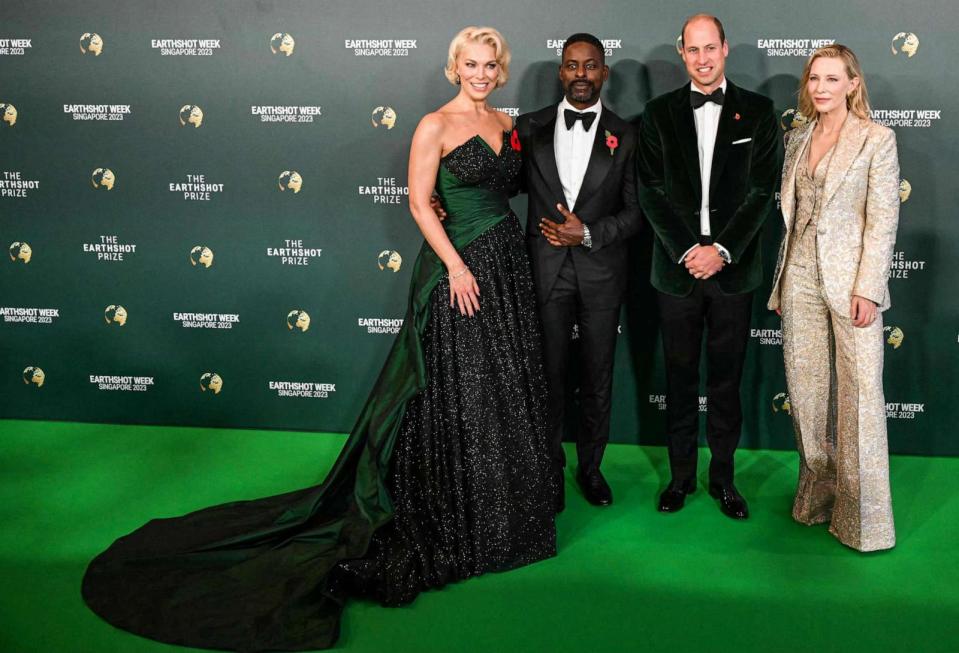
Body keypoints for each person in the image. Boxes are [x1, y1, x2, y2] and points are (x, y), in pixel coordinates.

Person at [81, 26, 557, 652]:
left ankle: (505, 518)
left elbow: (508, 190)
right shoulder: (433, 125)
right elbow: (419, 203)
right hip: (457, 269)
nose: (479, 72)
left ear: (500, 69)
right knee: (454, 389)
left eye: (489, 63)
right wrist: (457, 266)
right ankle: (459, 515)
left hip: (506, 268)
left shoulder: (504, 121)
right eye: (469, 63)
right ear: (454, 68)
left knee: (498, 386)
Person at [636, 14, 778, 519]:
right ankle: (679, 478)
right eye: (693, 50)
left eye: (710, 48)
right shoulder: (657, 114)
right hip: (676, 271)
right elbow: (649, 191)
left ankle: (722, 478)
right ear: (682, 53)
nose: (702, 58)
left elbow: (763, 191)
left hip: (733, 270)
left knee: (726, 380)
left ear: (725, 48)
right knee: (678, 379)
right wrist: (686, 251)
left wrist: (721, 250)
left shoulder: (759, 112)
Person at [768, 44, 898, 552]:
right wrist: (781, 282)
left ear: (851, 84)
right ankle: (818, 498)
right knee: (805, 392)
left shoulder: (875, 139)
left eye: (831, 79)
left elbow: (883, 219)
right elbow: (792, 218)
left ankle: (865, 521)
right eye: (814, 79)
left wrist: (868, 287)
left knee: (861, 394)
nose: (821, 87)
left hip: (851, 284)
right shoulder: (797, 138)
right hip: (798, 275)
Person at [515, 33, 641, 509]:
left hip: (601, 272)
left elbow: (635, 213)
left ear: (604, 73)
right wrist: (448, 199)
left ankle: (591, 469)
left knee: (597, 376)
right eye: (572, 66)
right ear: (560, 72)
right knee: (545, 375)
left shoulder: (626, 134)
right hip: (545, 270)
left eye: (591, 66)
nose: (581, 74)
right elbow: (500, 185)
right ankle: (547, 470)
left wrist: (586, 233)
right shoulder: (529, 127)